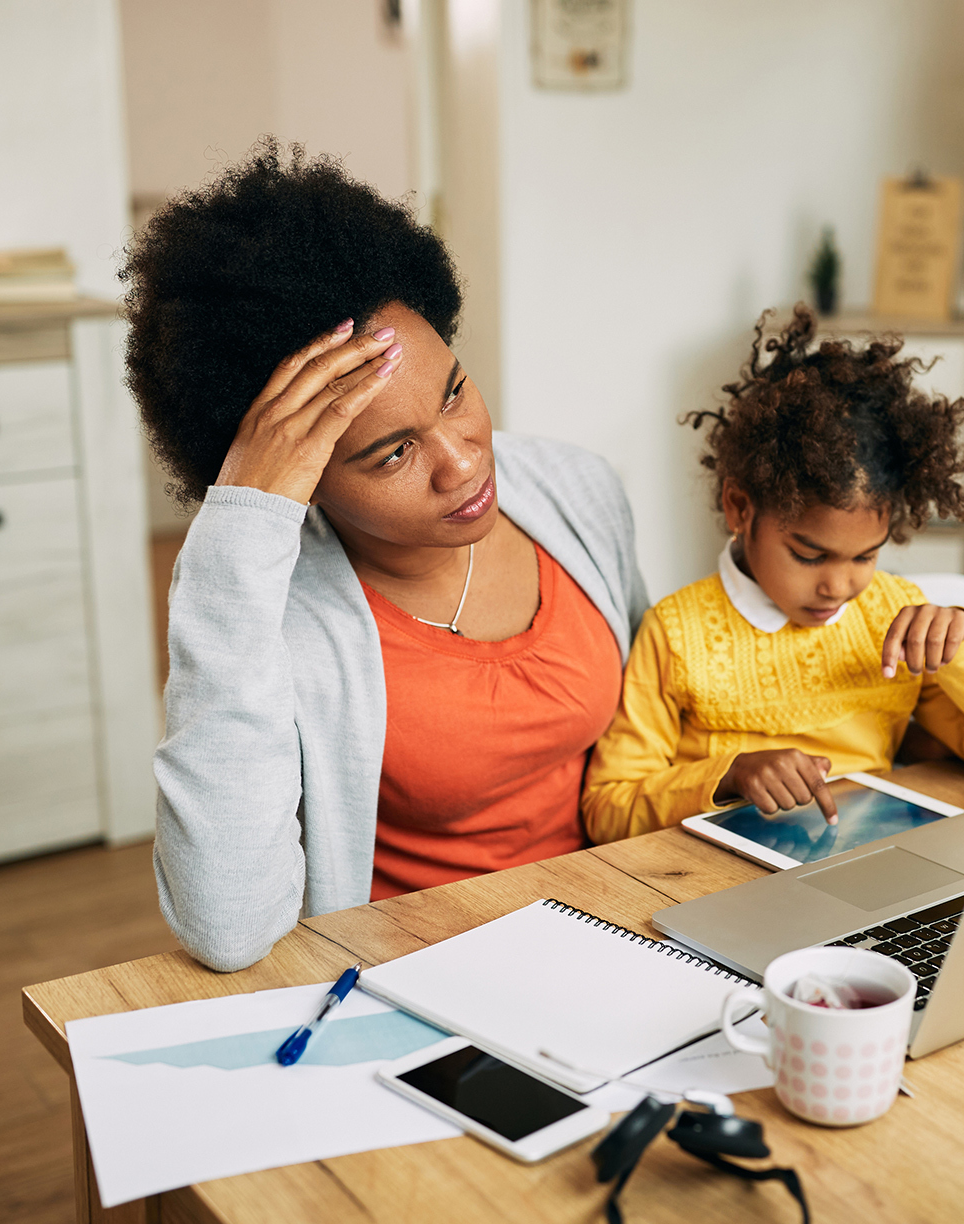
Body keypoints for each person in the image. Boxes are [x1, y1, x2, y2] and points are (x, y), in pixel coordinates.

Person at [127, 142, 647, 972]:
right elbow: (227, 927)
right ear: (302, 478)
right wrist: (240, 529)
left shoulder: (573, 492)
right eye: (393, 454)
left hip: (624, 933)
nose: (465, 462)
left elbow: (659, 731)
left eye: (454, 392)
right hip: (419, 983)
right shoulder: (274, 605)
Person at [581, 307, 964, 842]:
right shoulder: (676, 633)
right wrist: (729, 774)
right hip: (709, 877)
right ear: (738, 507)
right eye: (809, 555)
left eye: (866, 556)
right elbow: (607, 809)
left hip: (865, 867)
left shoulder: (892, 617)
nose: (839, 586)